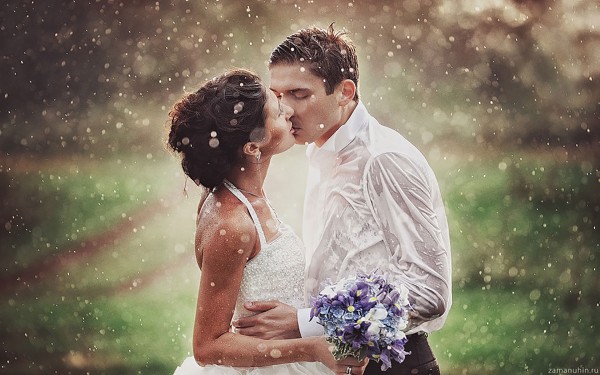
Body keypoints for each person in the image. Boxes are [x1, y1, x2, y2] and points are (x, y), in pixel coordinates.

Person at [232, 25, 452, 375]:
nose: (285, 109)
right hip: (338, 362)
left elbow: (429, 293)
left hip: (391, 364)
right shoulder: (320, 152)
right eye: (277, 95)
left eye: (299, 94)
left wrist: (304, 323)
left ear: (345, 92)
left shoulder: (384, 160)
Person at [167, 68, 368, 375]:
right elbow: (207, 347)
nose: (288, 111)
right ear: (251, 147)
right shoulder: (232, 224)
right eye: (276, 111)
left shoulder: (246, 195)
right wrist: (313, 347)